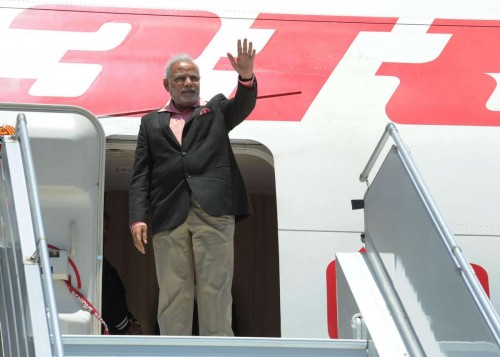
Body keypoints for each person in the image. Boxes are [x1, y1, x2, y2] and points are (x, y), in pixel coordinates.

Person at [128, 39, 257, 336]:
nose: (189, 83)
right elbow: (140, 176)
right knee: (173, 293)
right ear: (167, 84)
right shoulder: (150, 123)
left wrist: (246, 77)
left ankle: (219, 352)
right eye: (181, 78)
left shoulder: (216, 110)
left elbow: (243, 105)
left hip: (214, 212)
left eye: (194, 78)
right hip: (168, 214)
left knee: (216, 289)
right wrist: (137, 218)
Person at [102, 214, 143, 335]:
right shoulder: (97, 266)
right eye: (102, 228)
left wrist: (134, 322)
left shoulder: (105, 264)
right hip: (109, 334)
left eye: (106, 228)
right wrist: (127, 328)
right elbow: (108, 302)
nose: (105, 233)